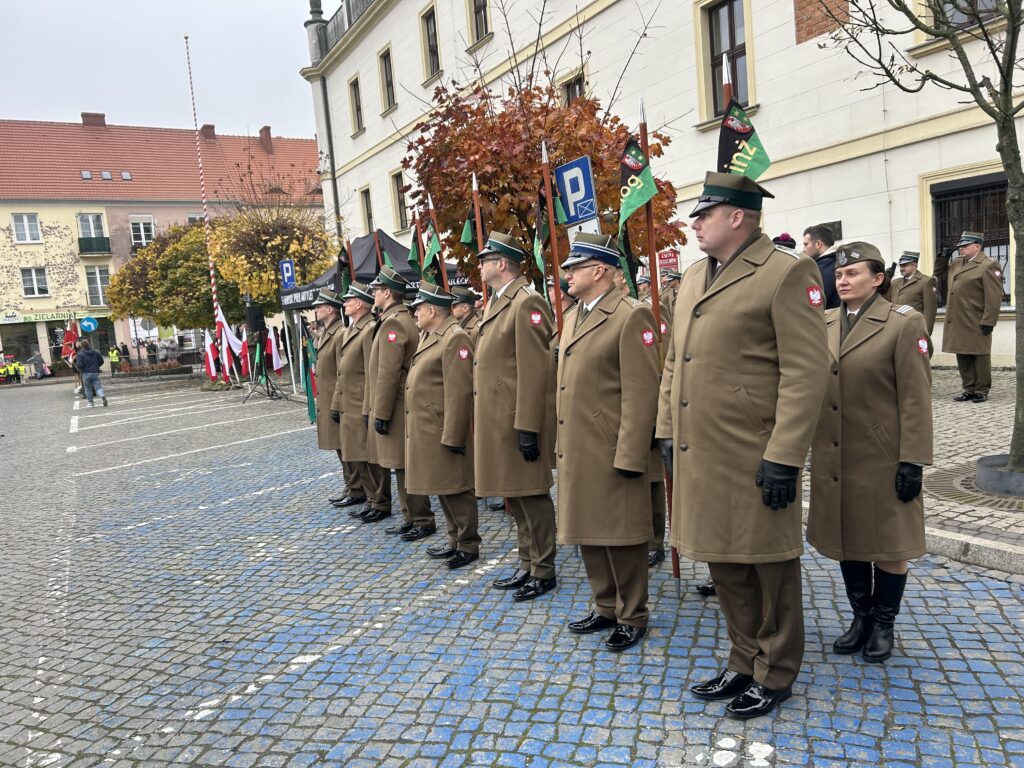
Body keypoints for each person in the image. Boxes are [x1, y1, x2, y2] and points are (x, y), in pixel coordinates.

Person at [657, 172, 828, 720]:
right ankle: (743, 657)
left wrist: (784, 455)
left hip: (755, 451)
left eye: (704, 214)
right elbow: (672, 362)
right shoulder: (691, 278)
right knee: (723, 560)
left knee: (768, 565)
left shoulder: (785, 272)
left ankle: (776, 672)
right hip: (700, 450)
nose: (695, 223)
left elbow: (807, 372)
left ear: (738, 217)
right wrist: (665, 429)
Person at [807, 242, 932, 663]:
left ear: (878, 279)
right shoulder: (823, 322)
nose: (842, 281)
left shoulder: (903, 323)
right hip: (835, 454)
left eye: (853, 274)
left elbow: (916, 398)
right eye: (839, 275)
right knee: (849, 539)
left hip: (882, 456)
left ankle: (883, 623)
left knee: (890, 545)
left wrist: (912, 460)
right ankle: (860, 616)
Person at [558, 234, 660, 651]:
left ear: (598, 271)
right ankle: (604, 606)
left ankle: (632, 613)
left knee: (621, 535)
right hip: (579, 443)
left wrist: (631, 454)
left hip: (611, 444)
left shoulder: (630, 316)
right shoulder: (573, 316)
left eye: (573, 268)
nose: (566, 274)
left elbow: (641, 392)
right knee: (589, 530)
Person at [475, 232, 557, 601]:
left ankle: (543, 569)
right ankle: (527, 562)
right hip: (499, 419)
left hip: (517, 419)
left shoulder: (527, 302)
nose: (480, 265)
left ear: (503, 264)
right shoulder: (497, 302)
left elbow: (535, 371)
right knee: (516, 497)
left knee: (532, 495)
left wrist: (527, 426)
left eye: (485, 259)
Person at [407, 282, 480, 569]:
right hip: (429, 427)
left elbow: (460, 391)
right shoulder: (430, 335)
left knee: (457, 488)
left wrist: (453, 434)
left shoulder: (455, 338)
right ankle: (454, 539)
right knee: (442, 485)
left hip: (444, 428)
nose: (415, 313)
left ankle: (468, 543)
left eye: (418, 308)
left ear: (431, 310)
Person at [364, 265, 434, 537]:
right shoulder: (393, 319)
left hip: (396, 403)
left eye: (377, 290)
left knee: (404, 464)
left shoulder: (394, 323)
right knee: (401, 463)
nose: (374, 295)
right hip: (397, 402)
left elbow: (388, 373)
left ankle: (421, 518)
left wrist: (380, 412)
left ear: (388, 293)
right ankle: (411, 516)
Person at [333, 282, 391, 518]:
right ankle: (370, 498)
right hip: (350, 402)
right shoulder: (352, 328)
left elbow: (371, 371)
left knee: (369, 456)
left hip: (361, 402)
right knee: (357, 455)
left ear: (359, 304)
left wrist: (370, 406)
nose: (344, 304)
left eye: (348, 300)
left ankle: (380, 502)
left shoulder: (368, 329)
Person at [942, 231, 1003, 403]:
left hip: (976, 317)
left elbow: (994, 295)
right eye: (960, 246)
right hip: (958, 318)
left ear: (977, 246)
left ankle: (981, 390)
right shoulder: (956, 263)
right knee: (962, 353)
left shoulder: (988, 265)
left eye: (965, 245)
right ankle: (968, 389)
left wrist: (989, 320)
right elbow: (938, 274)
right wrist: (942, 258)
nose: (961, 248)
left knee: (980, 354)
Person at [311, 288, 351, 502]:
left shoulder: (340, 333)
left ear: (331, 309)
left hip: (337, 399)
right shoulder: (326, 332)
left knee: (345, 446)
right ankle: (350, 485)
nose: (316, 310)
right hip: (327, 398)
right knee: (338, 445)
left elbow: (341, 371)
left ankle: (355, 487)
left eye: (320, 306)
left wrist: (336, 401)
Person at [886, 251, 938, 335]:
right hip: (894, 330)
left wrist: (926, 333)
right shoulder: (895, 282)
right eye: (900, 266)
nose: (901, 268)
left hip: (914, 329)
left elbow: (930, 310)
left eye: (905, 265)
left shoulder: (926, 281)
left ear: (914, 266)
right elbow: (885, 303)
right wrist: (886, 279)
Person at [803, 224, 840, 309]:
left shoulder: (823, 268)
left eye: (806, 244)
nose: (803, 249)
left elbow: (813, 305)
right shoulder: (835, 261)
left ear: (818, 244)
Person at [75, 338, 108, 407]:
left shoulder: (80, 354)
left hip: (86, 373)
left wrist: (79, 367)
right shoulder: (96, 352)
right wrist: (96, 366)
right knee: (98, 387)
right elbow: (101, 361)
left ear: (81, 346)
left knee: (88, 388)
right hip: (96, 372)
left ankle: (90, 403)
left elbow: (79, 365)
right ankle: (102, 396)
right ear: (89, 345)